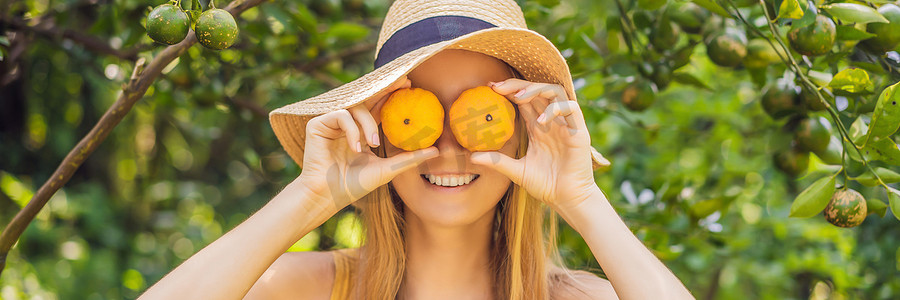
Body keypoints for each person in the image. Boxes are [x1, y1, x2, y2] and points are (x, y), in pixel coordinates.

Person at [140, 0, 693, 299]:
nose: (450, 144)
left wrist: (581, 200)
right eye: (421, 113)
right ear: (378, 129)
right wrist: (310, 197)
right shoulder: (303, 290)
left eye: (480, 113)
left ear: (522, 130)